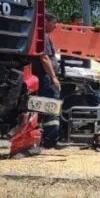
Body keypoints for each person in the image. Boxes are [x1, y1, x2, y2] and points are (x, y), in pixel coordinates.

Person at [35, 13, 63, 150]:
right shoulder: (43, 36)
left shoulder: (44, 36)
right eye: (54, 22)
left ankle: (46, 139)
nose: (55, 26)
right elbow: (45, 58)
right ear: (46, 21)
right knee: (51, 107)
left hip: (45, 77)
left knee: (45, 108)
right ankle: (51, 140)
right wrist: (53, 77)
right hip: (46, 77)